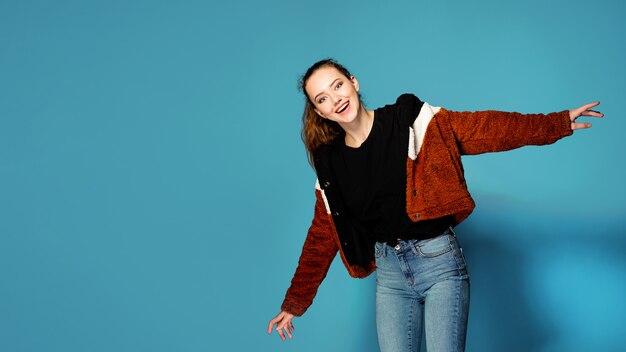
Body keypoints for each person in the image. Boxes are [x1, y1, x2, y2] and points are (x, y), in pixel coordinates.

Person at [267, 58, 602, 352]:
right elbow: (321, 236)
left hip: (439, 263)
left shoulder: (411, 121)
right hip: (389, 275)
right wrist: (295, 302)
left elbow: (484, 129)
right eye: (322, 98)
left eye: (337, 85)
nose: (335, 99)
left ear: (353, 83)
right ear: (319, 111)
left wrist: (555, 124)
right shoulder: (330, 166)